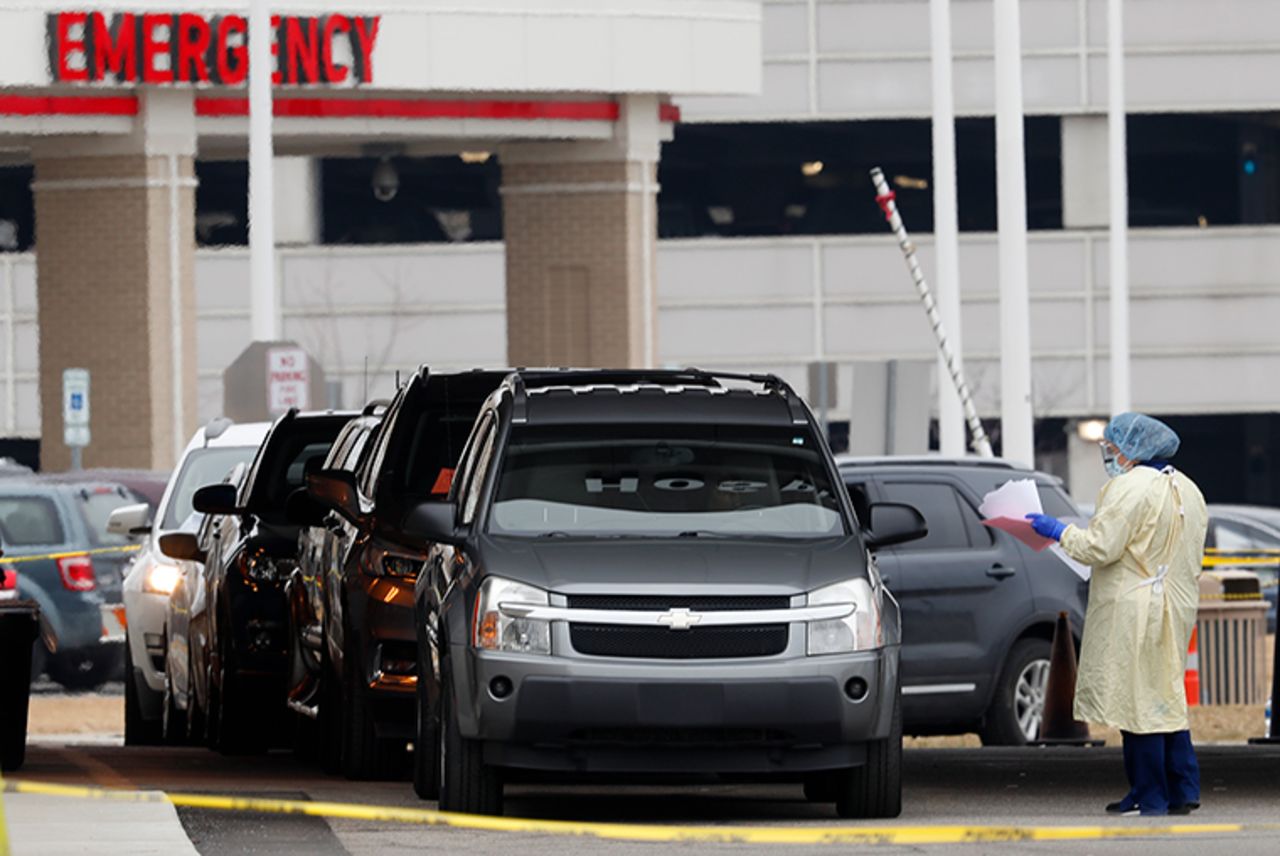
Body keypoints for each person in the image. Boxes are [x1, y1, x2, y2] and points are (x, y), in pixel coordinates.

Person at [1025, 412, 1207, 817]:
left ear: (1131, 449)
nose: (1109, 455)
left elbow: (1100, 548)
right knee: (1165, 697)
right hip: (1174, 606)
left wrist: (1057, 531)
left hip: (1133, 608)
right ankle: (1183, 787)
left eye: (1112, 448)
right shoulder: (1189, 489)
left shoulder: (1127, 488)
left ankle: (1150, 794)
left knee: (1136, 703)